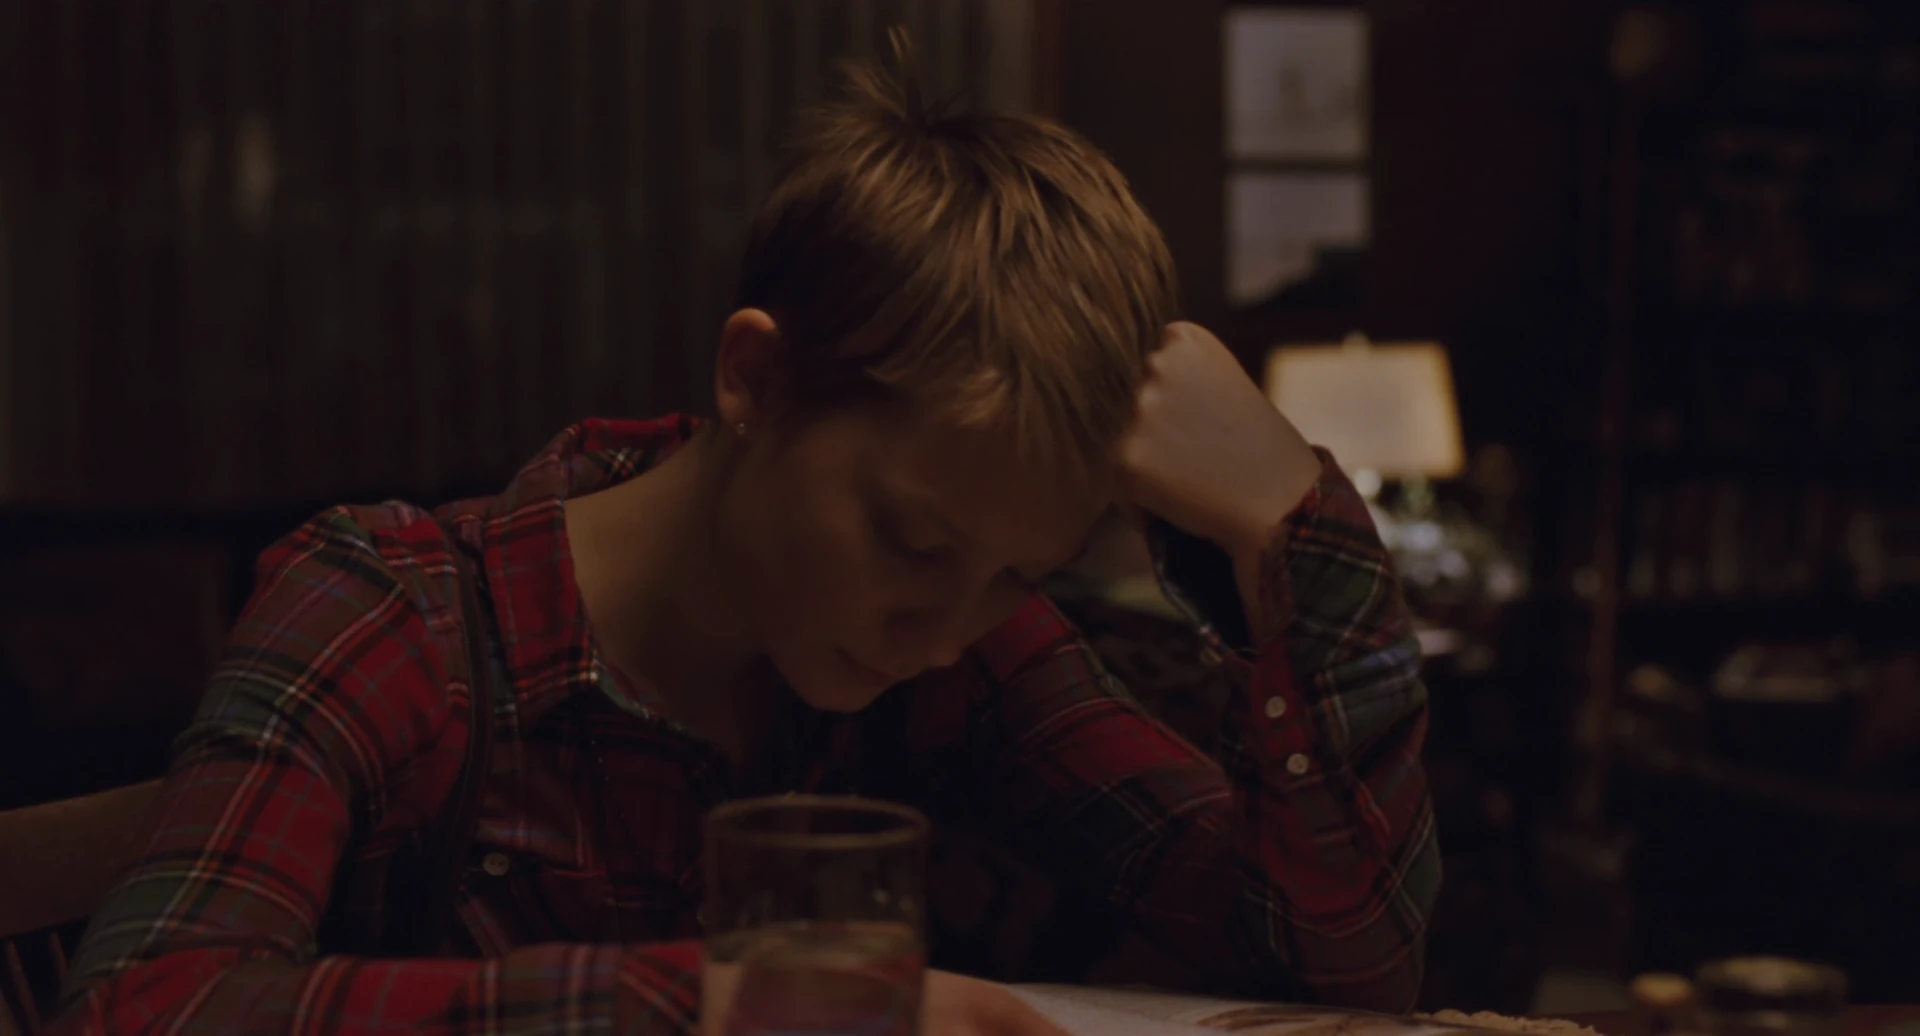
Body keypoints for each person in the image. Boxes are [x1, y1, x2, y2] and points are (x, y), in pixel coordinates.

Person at [52, 35, 1437, 1036]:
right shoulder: (389, 616)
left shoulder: (964, 648)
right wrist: (723, 1009)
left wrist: (1298, 533)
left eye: (1017, 574)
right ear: (758, 380)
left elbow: (1340, 969)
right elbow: (137, 1008)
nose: (944, 629)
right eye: (911, 542)